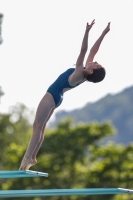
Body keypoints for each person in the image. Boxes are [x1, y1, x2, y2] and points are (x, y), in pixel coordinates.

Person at [19, 19, 110, 170]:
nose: (95, 61)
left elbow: (84, 51)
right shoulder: (83, 75)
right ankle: (32, 157)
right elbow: (93, 50)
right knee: (40, 127)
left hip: (52, 95)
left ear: (92, 70)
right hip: (58, 97)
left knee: (37, 126)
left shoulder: (80, 72)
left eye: (96, 64)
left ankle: (27, 157)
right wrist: (103, 33)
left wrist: (87, 32)